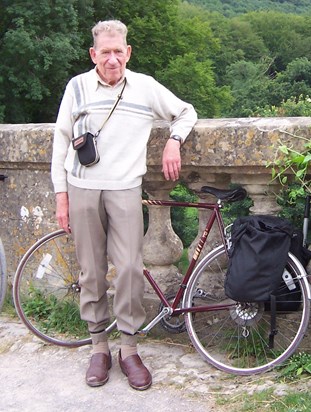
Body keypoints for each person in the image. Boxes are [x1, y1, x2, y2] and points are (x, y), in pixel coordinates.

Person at [51, 20, 197, 391]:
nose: (112, 59)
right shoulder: (77, 87)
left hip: (125, 189)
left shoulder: (145, 87)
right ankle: (99, 347)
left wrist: (173, 141)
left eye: (119, 51)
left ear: (128, 52)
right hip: (82, 188)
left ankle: (128, 350)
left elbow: (186, 112)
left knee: (131, 267)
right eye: (105, 52)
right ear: (93, 54)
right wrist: (61, 196)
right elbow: (61, 142)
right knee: (92, 271)